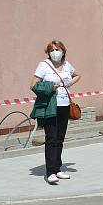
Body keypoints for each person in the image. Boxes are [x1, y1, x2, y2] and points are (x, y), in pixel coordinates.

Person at [32, 40, 80, 184]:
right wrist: (50, 87)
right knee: (51, 138)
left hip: (64, 105)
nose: (55, 52)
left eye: (57, 49)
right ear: (48, 52)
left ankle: (58, 168)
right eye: (52, 50)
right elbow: (33, 85)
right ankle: (50, 171)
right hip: (51, 106)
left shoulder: (66, 65)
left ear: (63, 51)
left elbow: (77, 75)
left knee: (60, 138)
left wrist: (68, 83)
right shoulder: (43, 65)